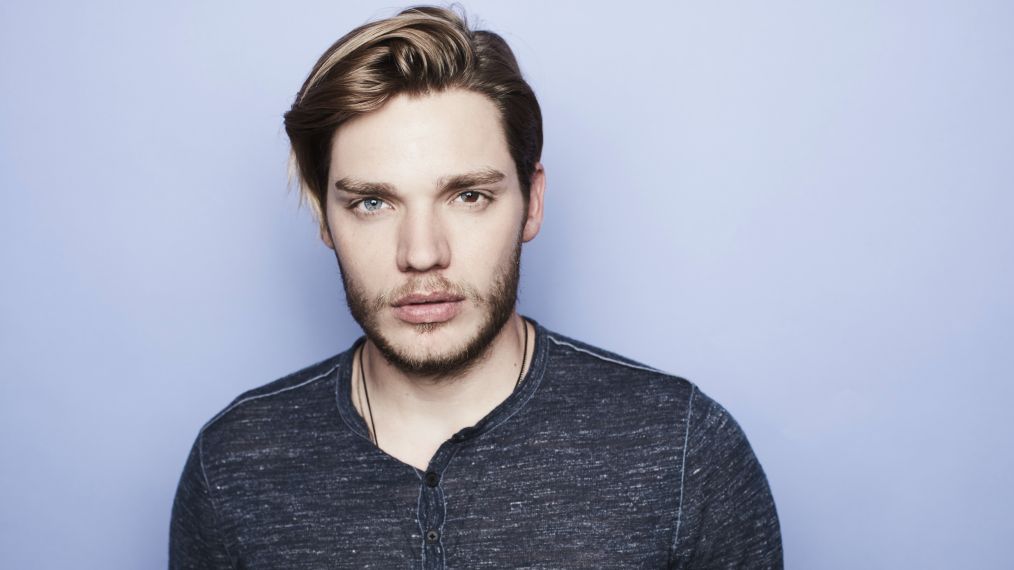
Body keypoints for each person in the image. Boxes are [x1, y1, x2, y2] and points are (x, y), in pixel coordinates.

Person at [169, 6, 782, 569]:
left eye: (468, 196)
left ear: (531, 202)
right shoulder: (233, 467)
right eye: (373, 202)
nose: (421, 253)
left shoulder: (682, 453)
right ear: (324, 217)